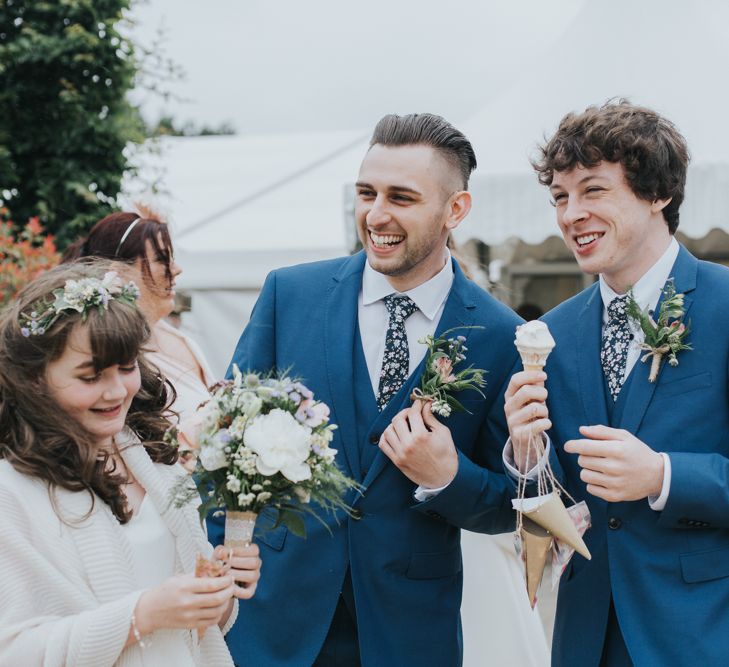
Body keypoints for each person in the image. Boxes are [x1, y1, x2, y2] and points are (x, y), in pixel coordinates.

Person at [211, 113, 529, 667]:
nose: (375, 215)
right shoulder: (291, 296)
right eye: (366, 193)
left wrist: (447, 478)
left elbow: (509, 504)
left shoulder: (499, 336)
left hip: (408, 631)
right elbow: (223, 440)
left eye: (401, 198)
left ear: (456, 210)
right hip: (274, 620)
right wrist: (227, 545)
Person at [505, 100, 729, 666]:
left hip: (702, 633)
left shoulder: (726, 305)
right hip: (584, 638)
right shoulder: (550, 334)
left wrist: (662, 475)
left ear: (659, 194)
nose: (570, 213)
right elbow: (549, 514)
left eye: (593, 190)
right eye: (560, 196)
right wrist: (528, 456)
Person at [0, 262, 261, 666]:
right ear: (35, 379)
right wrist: (144, 614)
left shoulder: (156, 463)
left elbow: (197, 632)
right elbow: (12, 651)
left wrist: (219, 592)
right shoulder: (12, 491)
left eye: (127, 368)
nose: (118, 390)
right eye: (91, 377)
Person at [63, 210, 215, 424]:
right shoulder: (116, 356)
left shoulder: (179, 338)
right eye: (162, 260)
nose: (177, 269)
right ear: (119, 272)